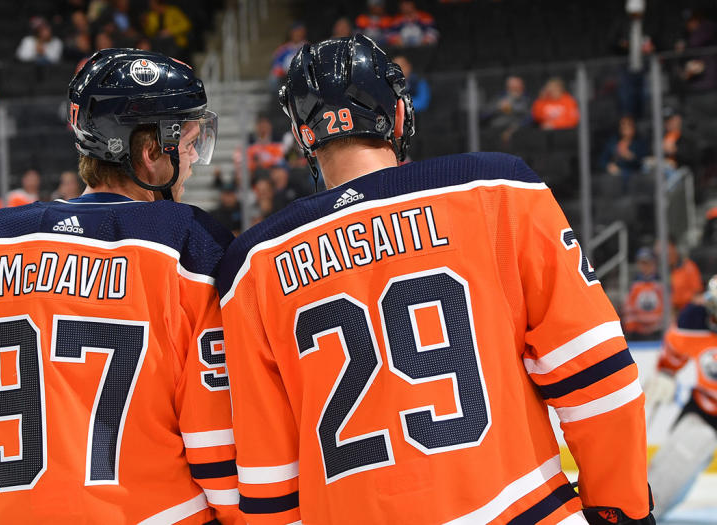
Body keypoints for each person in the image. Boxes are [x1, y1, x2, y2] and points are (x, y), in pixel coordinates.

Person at [217, 34, 653, 524]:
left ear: (304, 135)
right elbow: (595, 374)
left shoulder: (253, 263)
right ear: (399, 115)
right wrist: (622, 510)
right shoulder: (499, 189)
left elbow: (268, 477)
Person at [0, 48, 239, 524]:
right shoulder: (187, 244)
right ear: (150, 151)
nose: (195, 159)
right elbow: (218, 451)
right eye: (189, 142)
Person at [644, 275, 717, 519]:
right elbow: (673, 353)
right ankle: (644, 513)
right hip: (707, 409)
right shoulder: (694, 320)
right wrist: (665, 374)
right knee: (668, 476)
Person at [624, 247, 665, 340]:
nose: (645, 267)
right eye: (642, 263)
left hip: (658, 332)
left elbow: (667, 308)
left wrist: (663, 327)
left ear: (654, 264)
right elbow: (629, 309)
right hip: (638, 333)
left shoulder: (661, 284)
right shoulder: (634, 285)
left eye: (648, 263)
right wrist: (631, 329)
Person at [482, 75, 532, 145]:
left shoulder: (527, 99)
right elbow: (484, 115)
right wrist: (498, 108)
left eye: (516, 86)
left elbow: (529, 117)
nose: (514, 88)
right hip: (496, 130)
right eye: (511, 86)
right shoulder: (499, 98)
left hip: (516, 131)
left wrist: (511, 108)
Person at [598, 116, 647, 186]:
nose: (625, 127)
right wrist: (608, 166)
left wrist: (631, 157)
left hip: (633, 176)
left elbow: (644, 163)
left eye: (628, 125)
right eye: (623, 124)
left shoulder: (640, 143)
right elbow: (602, 160)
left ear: (634, 127)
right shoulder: (613, 142)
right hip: (614, 177)